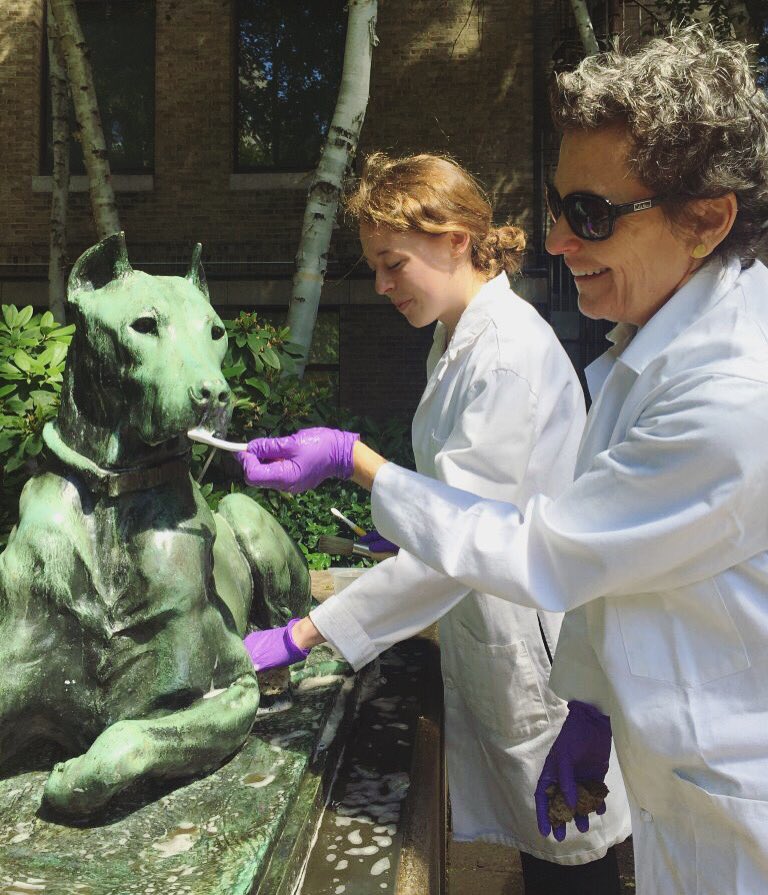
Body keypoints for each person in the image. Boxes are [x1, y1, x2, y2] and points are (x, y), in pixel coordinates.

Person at [238, 27, 768, 895]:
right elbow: (617, 552)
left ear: (706, 219)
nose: (556, 241)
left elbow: (542, 549)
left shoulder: (730, 392)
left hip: (736, 813)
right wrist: (591, 701)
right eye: (559, 206)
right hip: (676, 765)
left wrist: (352, 470)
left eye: (591, 214)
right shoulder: (650, 347)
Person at [245, 151, 630, 894]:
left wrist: (306, 633)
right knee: (548, 854)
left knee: (572, 865)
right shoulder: (455, 338)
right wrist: (401, 526)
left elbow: (460, 547)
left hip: (538, 652)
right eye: (376, 268)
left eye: (393, 264)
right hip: (500, 631)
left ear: (456, 240)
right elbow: (461, 500)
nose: (382, 285)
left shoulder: (506, 355)